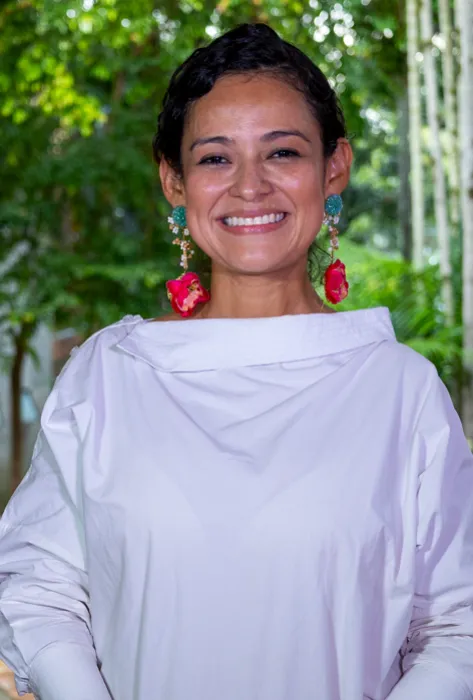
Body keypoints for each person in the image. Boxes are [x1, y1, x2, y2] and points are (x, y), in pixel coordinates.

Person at [0, 22, 472, 700]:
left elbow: (456, 627)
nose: (250, 186)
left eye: (282, 152)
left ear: (333, 167)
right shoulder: (107, 377)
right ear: (174, 181)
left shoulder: (401, 390)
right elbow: (38, 589)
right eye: (216, 158)